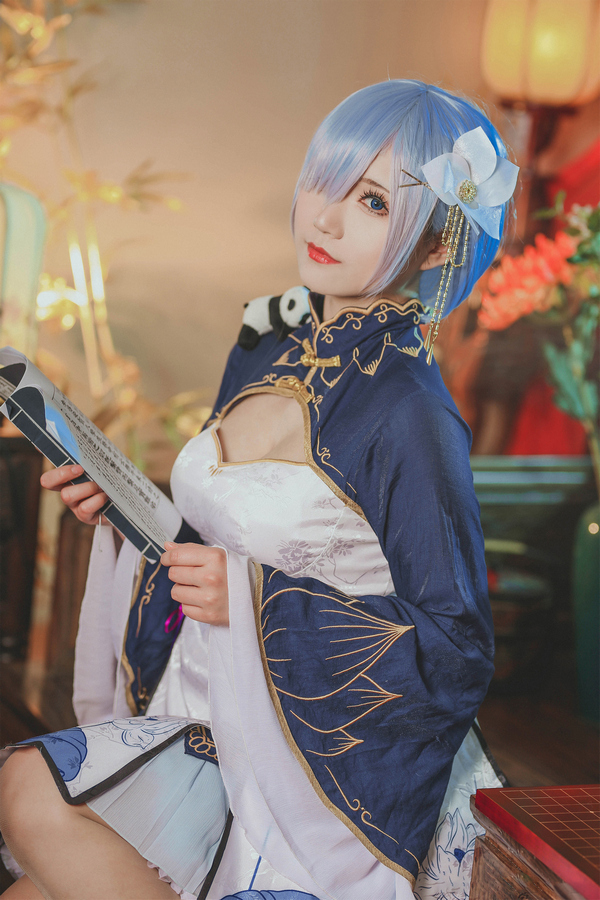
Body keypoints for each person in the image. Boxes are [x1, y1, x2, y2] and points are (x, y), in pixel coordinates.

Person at [0, 79, 517, 900]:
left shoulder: (410, 413)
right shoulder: (268, 344)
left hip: (304, 777)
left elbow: (455, 653)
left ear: (433, 245)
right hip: (202, 714)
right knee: (30, 843)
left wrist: (252, 596)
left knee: (32, 800)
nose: (325, 218)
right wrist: (120, 514)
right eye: (326, 180)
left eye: (374, 202)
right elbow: (209, 541)